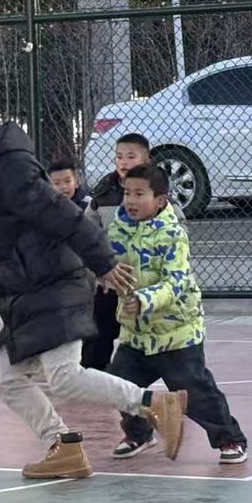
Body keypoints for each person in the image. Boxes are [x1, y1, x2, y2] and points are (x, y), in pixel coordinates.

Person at [0, 93, 187, 480]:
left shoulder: (12, 169)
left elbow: (64, 216)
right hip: (28, 292)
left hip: (53, 285)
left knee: (64, 376)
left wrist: (103, 262)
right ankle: (63, 446)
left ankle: (153, 404)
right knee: (6, 380)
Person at [105, 164, 248, 464]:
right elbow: (109, 266)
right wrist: (104, 277)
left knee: (195, 391)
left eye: (140, 194)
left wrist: (143, 300)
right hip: (136, 333)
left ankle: (229, 439)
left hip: (176, 332)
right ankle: (139, 433)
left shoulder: (172, 235)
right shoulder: (118, 230)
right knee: (119, 384)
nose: (131, 200)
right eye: (127, 193)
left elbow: (176, 282)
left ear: (160, 200)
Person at [80, 133, 154, 371]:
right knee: (98, 333)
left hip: (147, 283)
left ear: (146, 160)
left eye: (131, 157)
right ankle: (94, 373)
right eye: (119, 156)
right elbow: (87, 234)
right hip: (111, 279)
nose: (124, 162)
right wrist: (99, 270)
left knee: (152, 337)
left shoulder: (157, 192)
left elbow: (178, 228)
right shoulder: (103, 195)